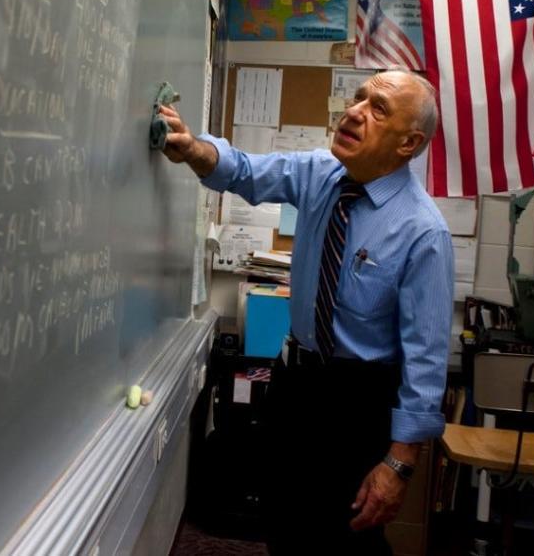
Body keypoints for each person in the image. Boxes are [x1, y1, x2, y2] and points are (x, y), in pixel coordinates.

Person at [158, 70, 453, 555]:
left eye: (378, 109)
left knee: (342, 537)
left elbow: (426, 359)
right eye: (358, 98)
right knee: (283, 524)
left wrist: (398, 465)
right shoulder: (321, 174)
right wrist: (194, 148)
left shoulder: (424, 232)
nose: (355, 112)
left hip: (358, 402)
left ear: (409, 143)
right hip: (294, 386)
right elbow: (246, 170)